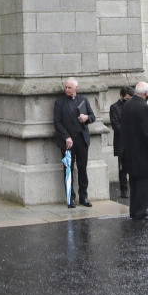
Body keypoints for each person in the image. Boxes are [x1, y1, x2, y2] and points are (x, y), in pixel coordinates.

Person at [119, 81, 148, 221]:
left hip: (129, 150)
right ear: (147, 93)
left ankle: (134, 211)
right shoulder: (143, 107)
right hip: (142, 152)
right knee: (143, 184)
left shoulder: (127, 105)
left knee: (134, 182)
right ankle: (141, 212)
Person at [53, 77, 96, 207]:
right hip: (68, 142)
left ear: (76, 88)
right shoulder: (59, 103)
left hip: (82, 140)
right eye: (65, 87)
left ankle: (84, 197)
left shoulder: (83, 100)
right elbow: (57, 122)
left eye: (69, 87)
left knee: (83, 169)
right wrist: (66, 137)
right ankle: (70, 198)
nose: (66, 89)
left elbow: (93, 117)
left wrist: (86, 118)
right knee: (68, 169)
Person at [108, 86, 133, 198]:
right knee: (122, 168)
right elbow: (116, 125)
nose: (129, 101)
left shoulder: (133, 106)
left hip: (133, 141)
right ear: (122, 96)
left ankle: (134, 188)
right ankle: (124, 190)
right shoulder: (114, 107)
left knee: (134, 167)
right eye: (127, 98)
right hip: (122, 142)